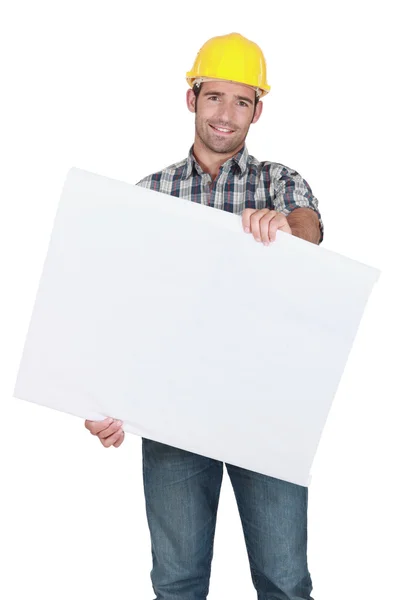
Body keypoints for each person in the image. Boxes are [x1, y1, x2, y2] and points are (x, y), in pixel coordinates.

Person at [85, 32, 323, 600]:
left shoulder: (277, 182)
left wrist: (287, 229)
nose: (226, 114)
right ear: (190, 99)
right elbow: (118, 309)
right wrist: (101, 399)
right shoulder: (149, 194)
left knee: (284, 582)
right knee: (177, 582)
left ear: (258, 111)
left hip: (266, 410)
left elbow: (311, 230)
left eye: (242, 101)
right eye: (214, 96)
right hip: (173, 412)